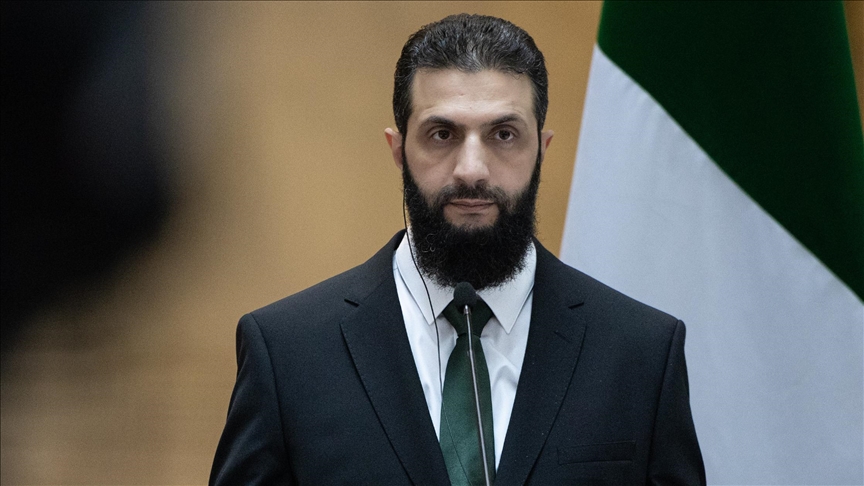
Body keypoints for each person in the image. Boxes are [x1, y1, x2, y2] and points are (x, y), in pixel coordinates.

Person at [210, 13, 705, 485]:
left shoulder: (639, 353)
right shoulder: (288, 353)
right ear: (398, 150)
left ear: (541, 149)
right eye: (442, 134)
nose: (472, 170)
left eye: (504, 134)